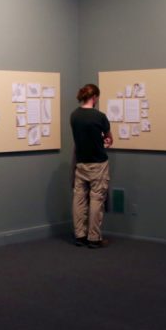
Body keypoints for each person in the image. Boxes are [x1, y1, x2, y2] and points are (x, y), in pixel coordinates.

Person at [70, 83, 112, 248]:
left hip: (81, 163)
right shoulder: (100, 117)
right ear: (94, 97)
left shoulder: (74, 116)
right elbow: (108, 138)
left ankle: (79, 235)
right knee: (96, 199)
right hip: (98, 164)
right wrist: (105, 139)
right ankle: (94, 238)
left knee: (79, 199)